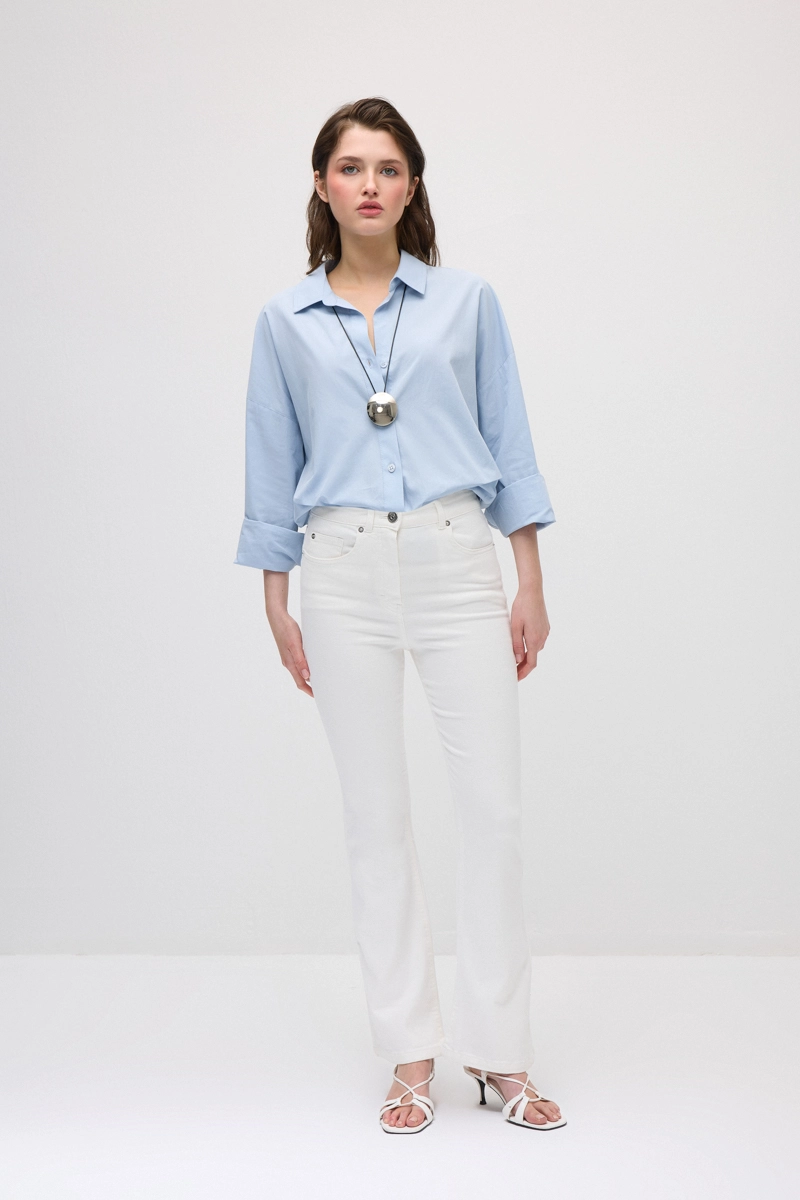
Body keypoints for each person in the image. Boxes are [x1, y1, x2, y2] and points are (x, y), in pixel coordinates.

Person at [235, 97, 566, 1134]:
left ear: (411, 185)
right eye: (350, 167)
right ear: (322, 185)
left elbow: (507, 435)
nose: (368, 184)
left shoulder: (467, 303)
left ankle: (500, 1055)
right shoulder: (285, 321)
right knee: (374, 819)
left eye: (387, 167)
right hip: (339, 572)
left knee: (493, 815)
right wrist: (276, 597)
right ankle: (409, 1054)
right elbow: (271, 456)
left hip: (455, 558)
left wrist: (527, 579)